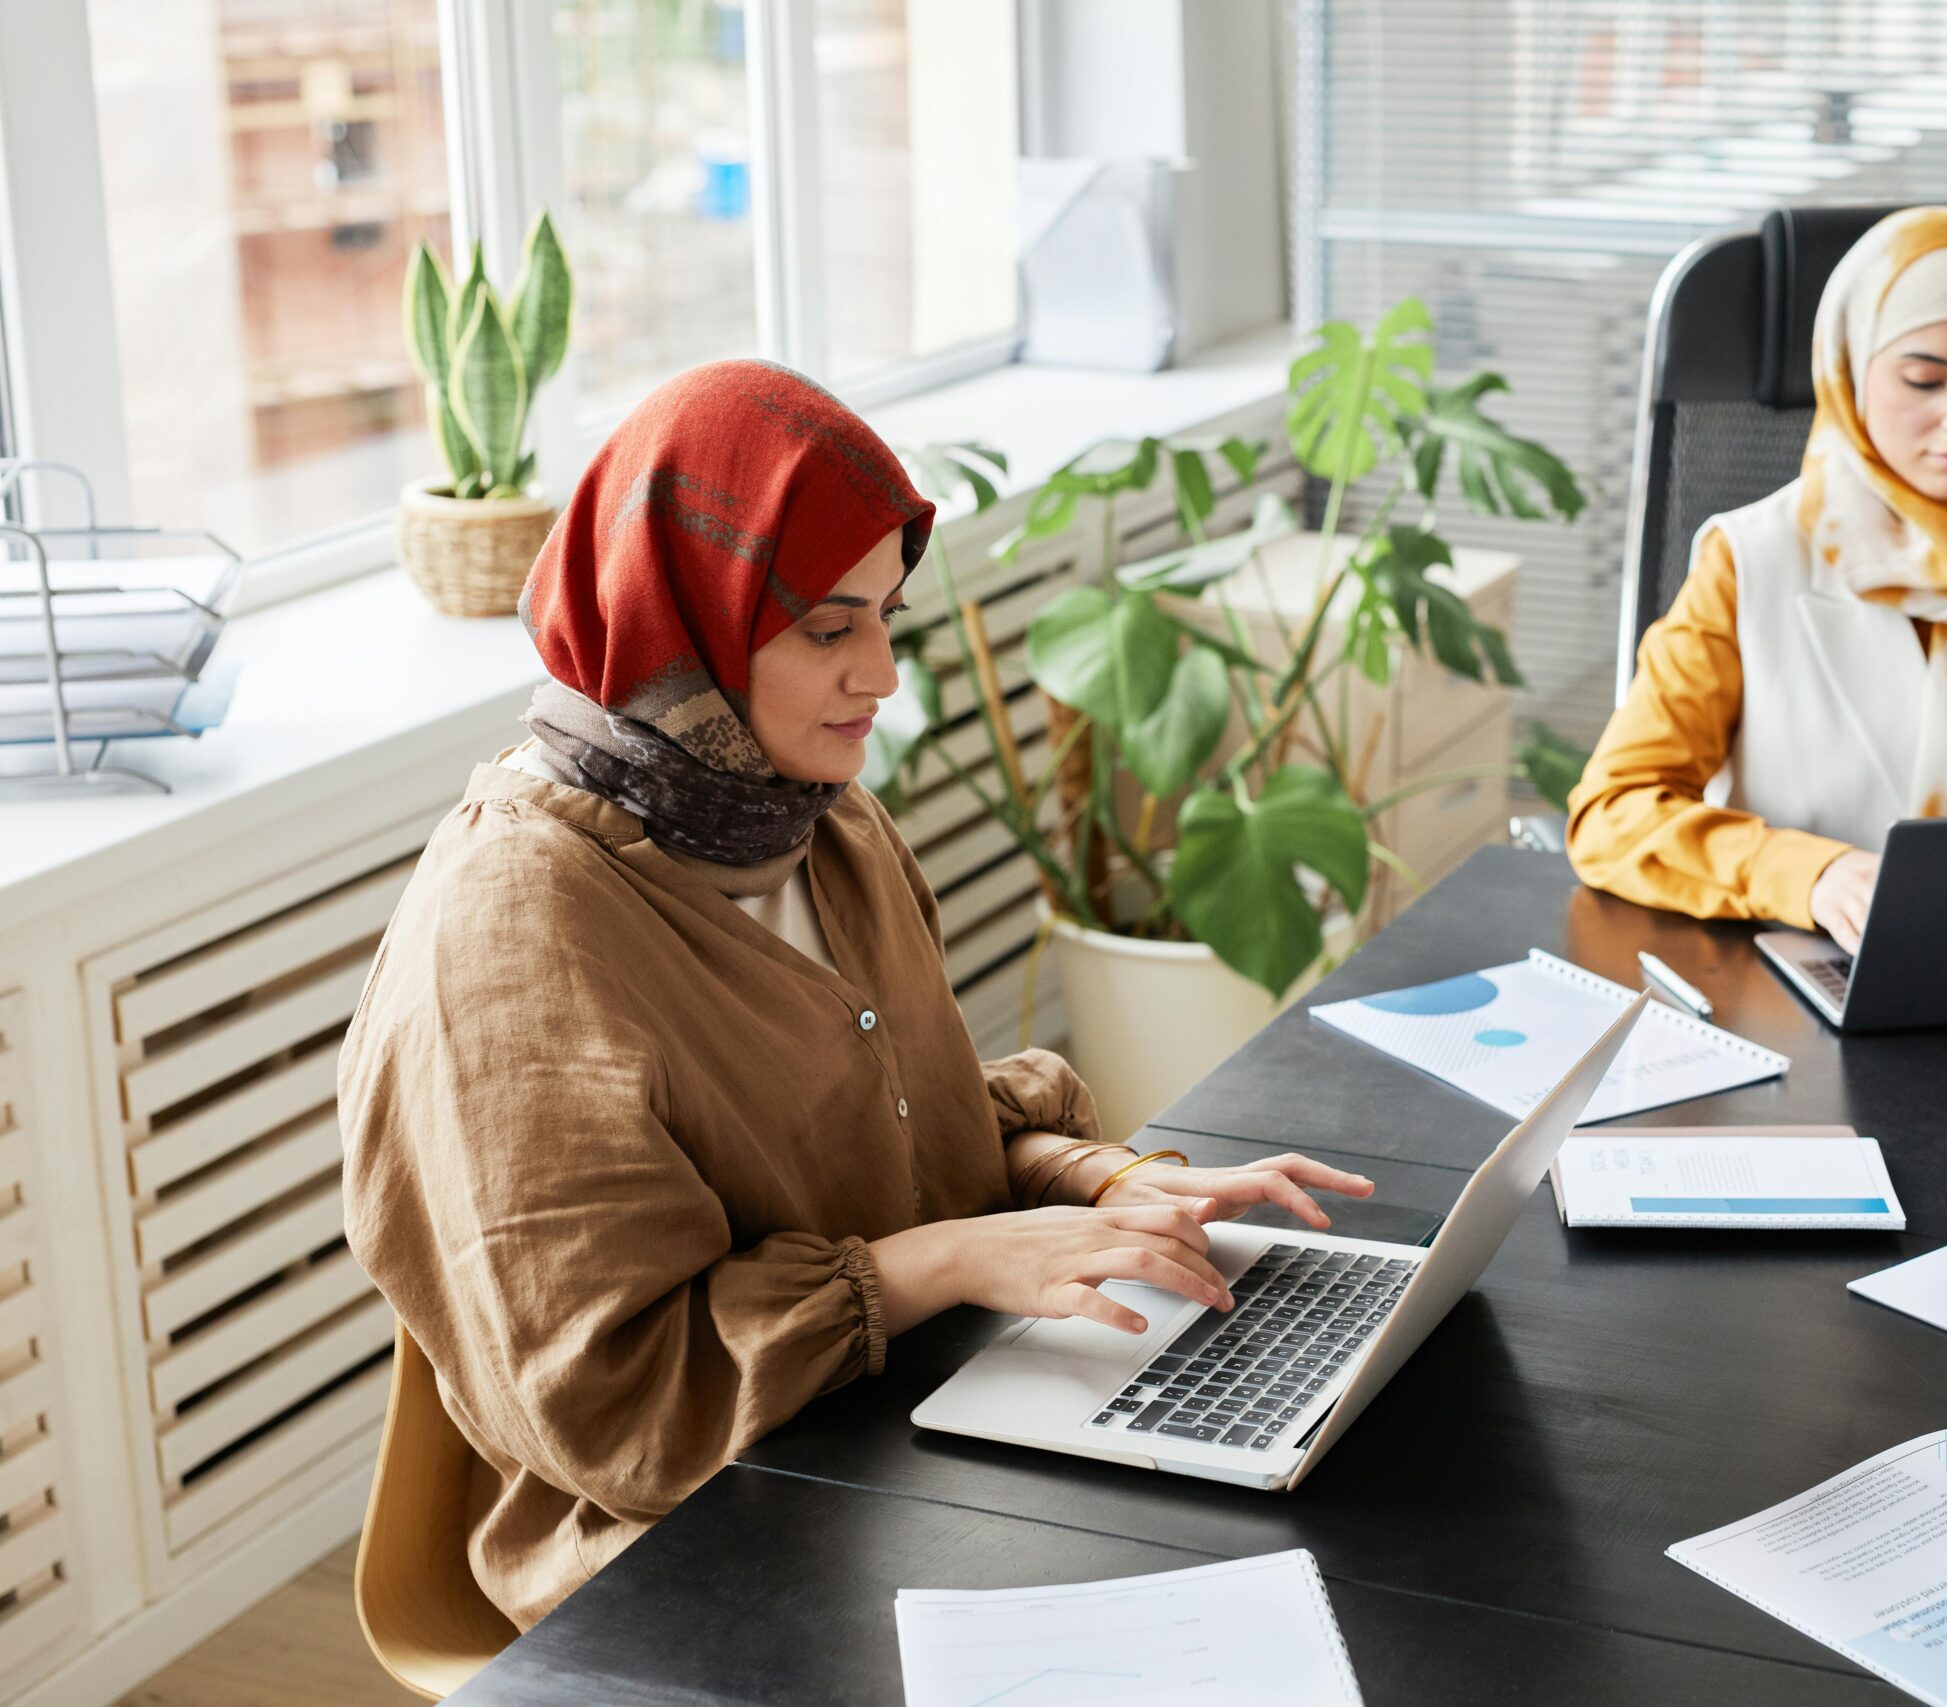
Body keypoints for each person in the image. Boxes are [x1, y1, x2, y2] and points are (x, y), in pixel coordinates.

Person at [339, 360, 1371, 1629]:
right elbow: (613, 1411)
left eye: (885, 615)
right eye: (829, 628)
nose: (881, 673)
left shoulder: (815, 823)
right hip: (685, 1551)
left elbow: (900, 1126)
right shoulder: (511, 940)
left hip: (905, 1425)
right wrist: (932, 1264)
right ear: (683, 630)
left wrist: (1099, 1183)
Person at [1568, 208, 1947, 952]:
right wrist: (1811, 876)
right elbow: (1614, 810)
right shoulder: (1753, 559)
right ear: (1852, 370)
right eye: (1924, 378)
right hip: (1811, 971)